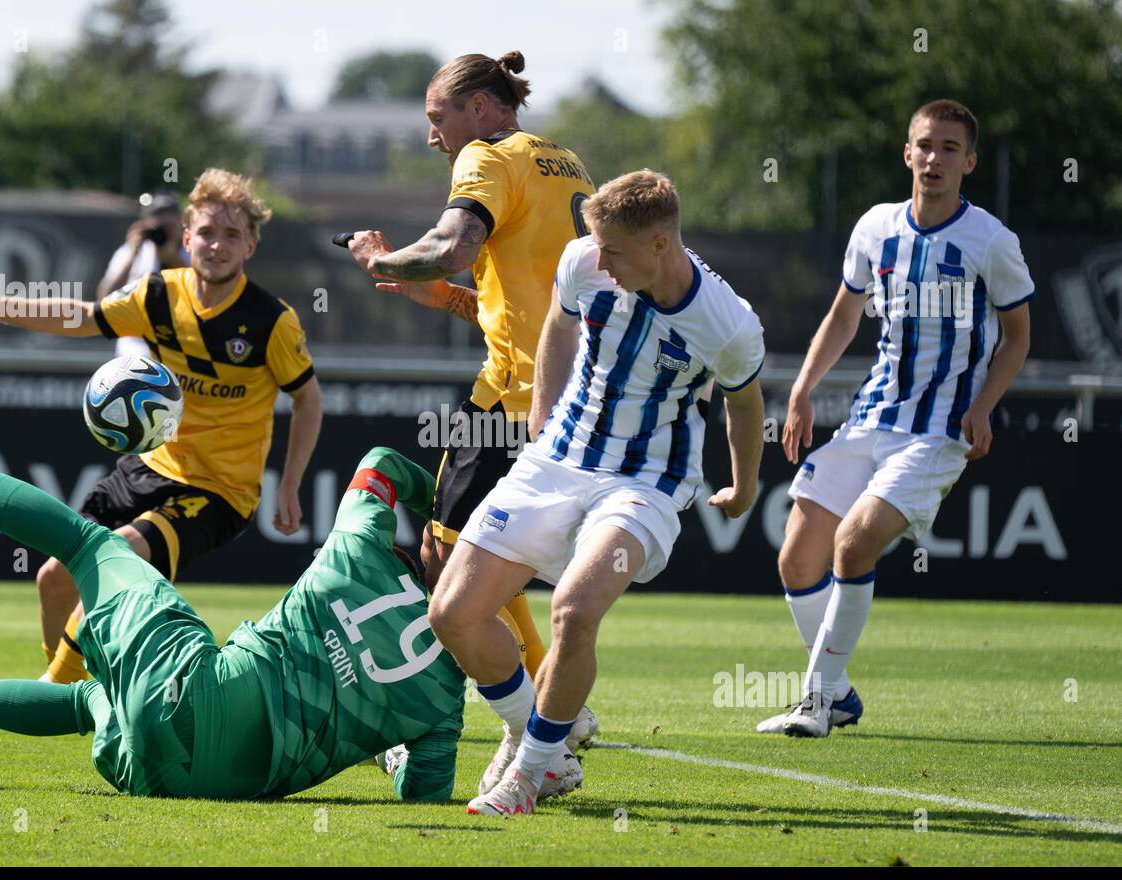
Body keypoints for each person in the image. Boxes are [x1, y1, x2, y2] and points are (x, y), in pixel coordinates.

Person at [0, 413, 564, 801]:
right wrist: (388, 748)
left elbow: (381, 459)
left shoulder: (363, 545)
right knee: (92, 704)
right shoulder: (445, 705)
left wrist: (436, 507)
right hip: (180, 779)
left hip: (189, 696)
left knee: (87, 545)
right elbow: (422, 795)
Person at [427, 170, 767, 815]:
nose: (597, 258)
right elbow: (559, 323)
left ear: (662, 244)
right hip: (556, 459)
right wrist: (542, 416)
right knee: (453, 613)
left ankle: (526, 778)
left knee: (575, 612)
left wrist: (745, 487)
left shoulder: (727, 323)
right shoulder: (586, 258)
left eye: (613, 249)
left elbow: (745, 405)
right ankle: (546, 747)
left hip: (646, 482)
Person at [0, 168, 323, 685]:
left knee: (113, 558)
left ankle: (54, 694)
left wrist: (289, 483)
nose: (217, 245)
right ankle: (74, 684)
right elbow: (82, 316)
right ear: (186, 237)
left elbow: (307, 399)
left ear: (251, 246)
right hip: (149, 466)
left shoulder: (271, 321)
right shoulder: (157, 295)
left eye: (232, 235)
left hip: (219, 492)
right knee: (55, 578)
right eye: (208, 233)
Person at [345, 50, 599, 773]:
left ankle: (541, 736)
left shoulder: (485, 157)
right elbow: (518, 302)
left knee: (455, 569)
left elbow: (455, 246)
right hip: (549, 389)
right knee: (451, 553)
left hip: (524, 399)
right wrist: (444, 298)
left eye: (438, 118)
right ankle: (554, 714)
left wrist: (381, 264)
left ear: (482, 108)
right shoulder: (566, 161)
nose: (433, 137)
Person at [759, 99, 1033, 738]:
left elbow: (1018, 335)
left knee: (853, 544)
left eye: (948, 148)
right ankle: (839, 694)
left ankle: (817, 702)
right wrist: (801, 390)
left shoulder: (990, 240)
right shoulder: (875, 227)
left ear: (970, 161)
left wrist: (983, 406)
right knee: (798, 560)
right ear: (906, 153)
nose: (934, 158)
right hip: (869, 419)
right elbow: (844, 315)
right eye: (924, 145)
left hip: (938, 432)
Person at [96, 191, 190, 361]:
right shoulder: (131, 252)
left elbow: (199, 291)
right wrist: (133, 253)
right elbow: (104, 296)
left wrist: (170, 256)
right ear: (144, 221)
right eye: (157, 215)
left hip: (182, 345)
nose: (163, 221)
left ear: (181, 221)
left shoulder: (192, 252)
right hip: (136, 344)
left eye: (170, 215)